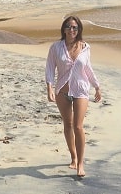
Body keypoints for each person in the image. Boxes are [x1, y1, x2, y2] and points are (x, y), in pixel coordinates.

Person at [44, 15, 102, 177]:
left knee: (78, 126)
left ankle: (81, 164)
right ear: (64, 29)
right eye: (69, 27)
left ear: (79, 30)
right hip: (62, 91)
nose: (72, 30)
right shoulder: (56, 47)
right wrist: (49, 88)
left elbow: (88, 69)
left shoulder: (85, 47)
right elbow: (50, 68)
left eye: (75, 27)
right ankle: (73, 157)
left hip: (81, 91)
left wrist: (97, 87)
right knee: (68, 125)